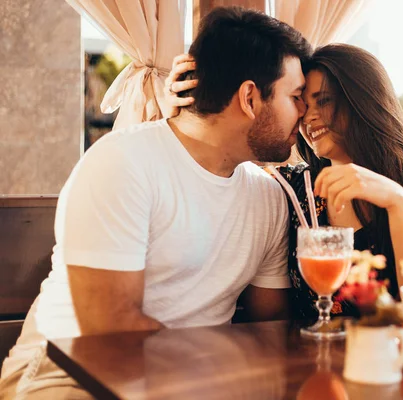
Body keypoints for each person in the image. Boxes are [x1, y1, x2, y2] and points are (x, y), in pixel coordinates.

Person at [0, 7, 311, 398]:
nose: (305, 111)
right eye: (296, 96)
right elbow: (113, 333)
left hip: (192, 380)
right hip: (66, 374)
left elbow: (271, 328)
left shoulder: (269, 199)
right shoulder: (123, 163)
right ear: (249, 97)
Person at [166, 43, 403, 321]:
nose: (309, 118)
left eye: (324, 101)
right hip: (313, 365)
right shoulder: (291, 190)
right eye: (303, 105)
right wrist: (190, 109)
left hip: (392, 361)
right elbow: (218, 162)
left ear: (362, 100)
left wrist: (397, 203)